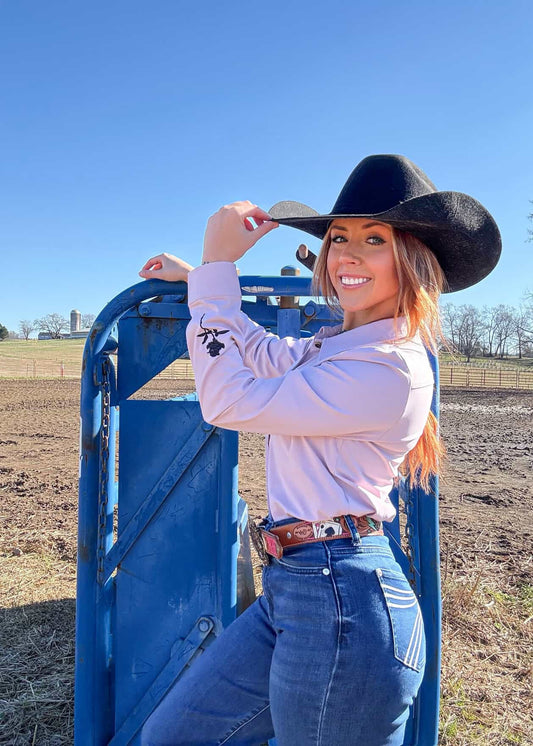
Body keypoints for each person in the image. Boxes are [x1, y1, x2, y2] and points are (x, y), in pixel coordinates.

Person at [138, 155, 501, 746]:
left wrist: (219, 263)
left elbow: (228, 400)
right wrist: (204, 280)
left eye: (374, 239)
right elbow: (257, 352)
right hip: (298, 584)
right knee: (173, 736)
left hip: (346, 599)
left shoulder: (389, 369)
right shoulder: (338, 348)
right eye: (339, 238)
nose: (348, 254)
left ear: (412, 259)